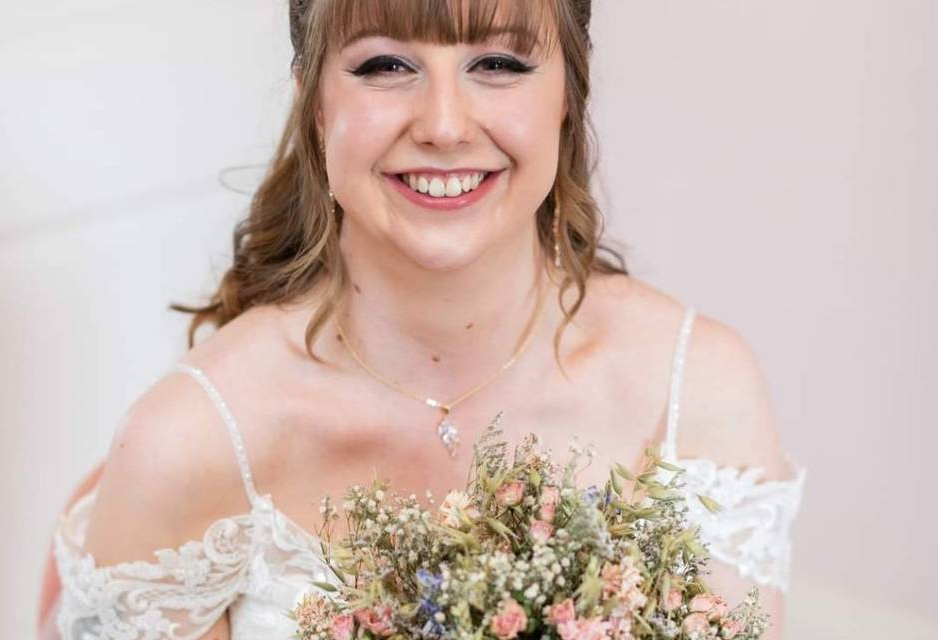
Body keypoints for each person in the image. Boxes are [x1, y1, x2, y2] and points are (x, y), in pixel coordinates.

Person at [46, 1, 806, 639]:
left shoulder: (698, 389)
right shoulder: (190, 441)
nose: (445, 124)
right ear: (315, 103)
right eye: (386, 66)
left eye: (499, 65)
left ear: (567, 95)